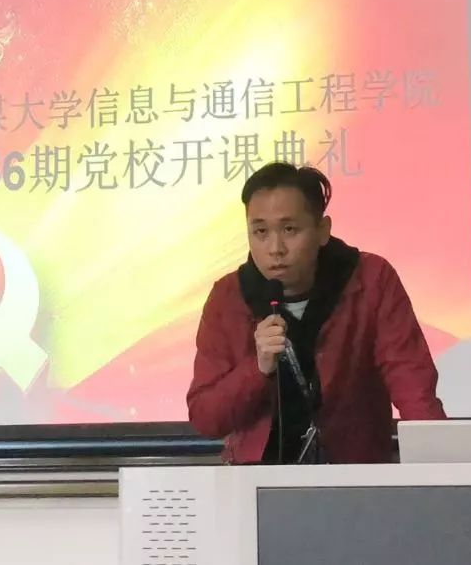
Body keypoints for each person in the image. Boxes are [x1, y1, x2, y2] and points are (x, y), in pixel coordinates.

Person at [186, 162, 445, 464]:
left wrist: (442, 469)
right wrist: (257, 368)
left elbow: (413, 387)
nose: (275, 248)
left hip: (352, 475)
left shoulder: (371, 279)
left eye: (289, 229)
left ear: (322, 230)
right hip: (256, 479)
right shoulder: (229, 296)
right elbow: (206, 418)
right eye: (260, 232)